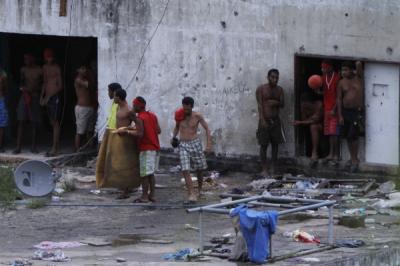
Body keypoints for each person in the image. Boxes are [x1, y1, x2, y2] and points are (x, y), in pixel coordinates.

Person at [117, 97, 161, 203]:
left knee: (144, 174)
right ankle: (152, 195)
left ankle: (144, 196)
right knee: (150, 173)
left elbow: (140, 134)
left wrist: (127, 132)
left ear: (139, 106)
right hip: (155, 148)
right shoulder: (152, 115)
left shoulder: (140, 118)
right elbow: (158, 131)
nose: (132, 107)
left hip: (146, 148)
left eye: (134, 105)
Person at [171, 96, 212, 202]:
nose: (185, 111)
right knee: (185, 169)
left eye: (187, 109)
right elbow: (176, 127)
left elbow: (207, 128)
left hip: (195, 143)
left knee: (200, 169)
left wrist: (208, 144)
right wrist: (174, 137)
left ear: (192, 107)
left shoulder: (197, 116)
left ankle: (199, 190)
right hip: (183, 144)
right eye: (184, 108)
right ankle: (191, 193)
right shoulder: (179, 115)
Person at [255, 69, 285, 177]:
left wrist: (275, 102)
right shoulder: (261, 89)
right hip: (265, 119)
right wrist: (262, 119)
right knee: (263, 145)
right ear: (268, 77)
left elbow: (282, 104)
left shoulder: (280, 90)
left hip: (275, 120)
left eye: (276, 77)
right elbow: (259, 105)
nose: (275, 79)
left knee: (275, 145)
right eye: (272, 77)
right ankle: (264, 169)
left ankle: (273, 168)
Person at [337, 61, 364, 172]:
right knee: (348, 136)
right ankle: (353, 158)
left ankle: (354, 160)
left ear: (352, 70)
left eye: (346, 70)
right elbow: (338, 99)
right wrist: (340, 115)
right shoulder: (341, 83)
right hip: (345, 112)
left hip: (356, 112)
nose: (344, 72)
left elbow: (358, 64)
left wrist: (356, 63)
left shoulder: (358, 78)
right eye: (342, 70)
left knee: (354, 135)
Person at [41, 48, 62, 156]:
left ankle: (55, 148)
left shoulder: (57, 68)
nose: (49, 59)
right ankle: (54, 146)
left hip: (54, 97)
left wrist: (49, 96)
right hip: (47, 98)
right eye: (47, 57)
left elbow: (60, 86)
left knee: (55, 122)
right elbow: (44, 82)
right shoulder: (44, 67)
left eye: (50, 57)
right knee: (51, 121)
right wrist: (42, 96)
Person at [293, 92, 323, 166]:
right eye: (302, 102)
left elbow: (316, 119)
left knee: (313, 126)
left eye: (305, 102)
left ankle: (314, 152)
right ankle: (310, 151)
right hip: (312, 127)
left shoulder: (319, 104)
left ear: (311, 102)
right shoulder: (303, 106)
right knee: (311, 126)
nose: (303, 104)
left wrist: (302, 122)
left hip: (324, 128)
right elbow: (305, 119)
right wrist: (307, 120)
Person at [319, 60, 341, 165]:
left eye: (324, 67)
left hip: (334, 110)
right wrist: (318, 92)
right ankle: (330, 154)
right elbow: (326, 92)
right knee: (329, 133)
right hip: (326, 109)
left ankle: (336, 154)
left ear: (330, 67)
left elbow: (338, 96)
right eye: (322, 68)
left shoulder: (337, 78)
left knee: (334, 133)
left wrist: (334, 109)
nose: (322, 70)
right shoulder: (323, 78)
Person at [74, 65, 95, 152]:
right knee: (80, 131)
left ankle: (90, 148)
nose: (85, 70)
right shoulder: (78, 80)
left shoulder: (85, 80)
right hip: (82, 108)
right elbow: (90, 85)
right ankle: (77, 150)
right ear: (78, 70)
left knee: (90, 130)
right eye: (82, 68)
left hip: (89, 107)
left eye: (85, 68)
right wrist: (90, 74)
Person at [0, 68, 8, 152]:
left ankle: (0, 145)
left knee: (1, 124)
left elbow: (5, 87)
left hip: (1, 100)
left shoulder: (2, 73)